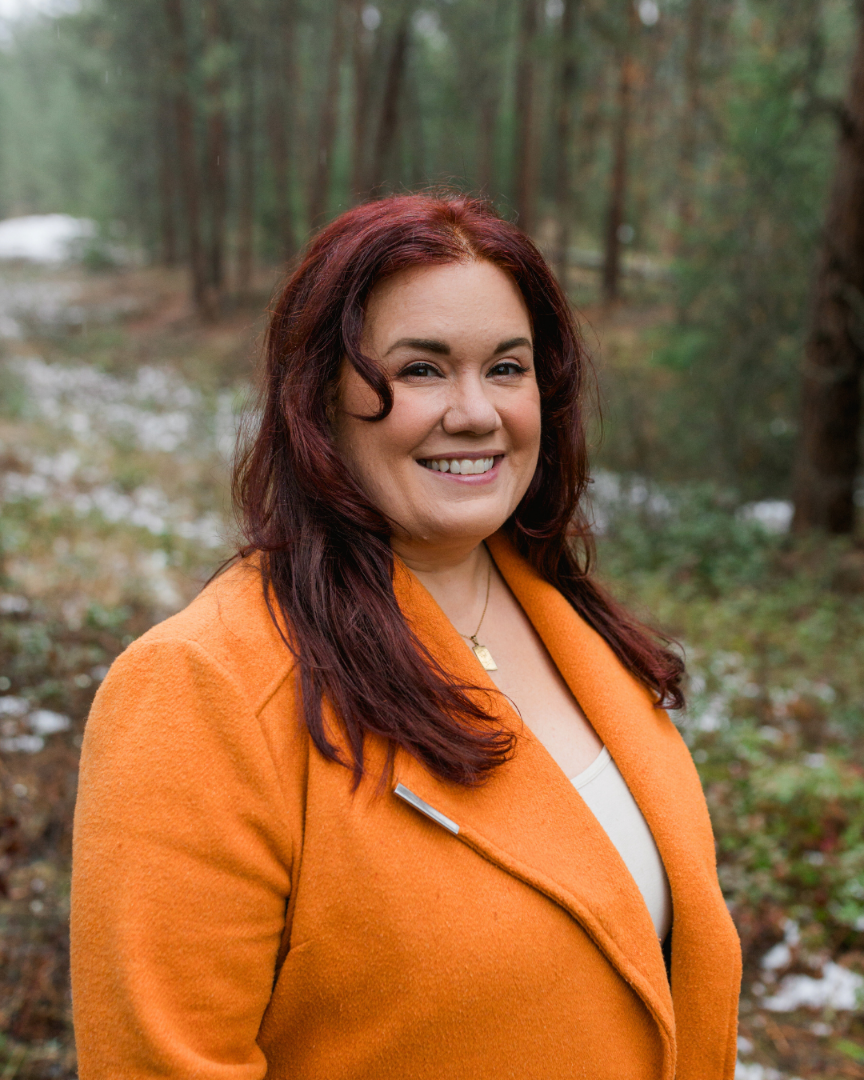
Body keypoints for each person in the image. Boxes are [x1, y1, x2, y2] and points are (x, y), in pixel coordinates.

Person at [70, 193, 741, 1080]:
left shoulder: (574, 626)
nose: (475, 412)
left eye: (507, 367)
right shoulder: (204, 689)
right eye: (422, 369)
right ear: (319, 398)